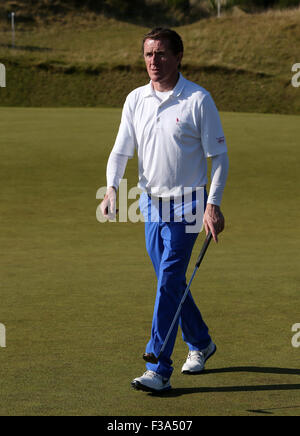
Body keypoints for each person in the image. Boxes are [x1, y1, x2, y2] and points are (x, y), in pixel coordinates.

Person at [100, 28, 229, 392]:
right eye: (147, 55)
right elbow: (121, 150)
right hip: (150, 203)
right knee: (168, 284)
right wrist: (111, 187)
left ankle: (158, 367)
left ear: (178, 57)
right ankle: (201, 342)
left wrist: (212, 204)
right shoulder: (136, 99)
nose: (153, 62)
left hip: (189, 203)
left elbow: (218, 157)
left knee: (170, 279)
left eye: (160, 54)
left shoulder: (198, 100)